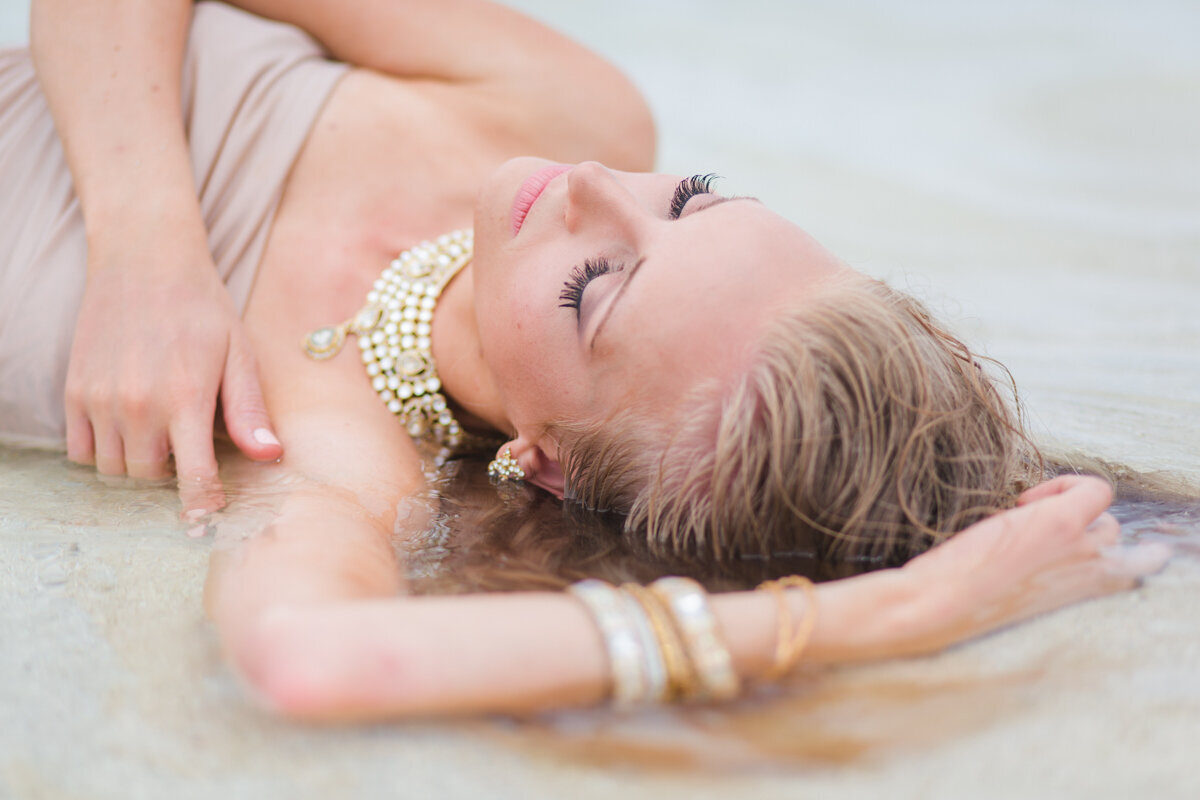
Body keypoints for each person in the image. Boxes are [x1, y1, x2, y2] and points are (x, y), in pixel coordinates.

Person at [0, 0, 1169, 718]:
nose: (598, 187)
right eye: (694, 201)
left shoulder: (329, 447)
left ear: (546, 463)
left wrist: (897, 613)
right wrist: (144, 242)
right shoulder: (574, 108)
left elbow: (312, 661)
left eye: (594, 286)